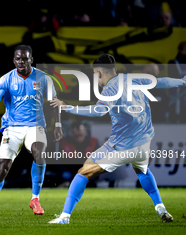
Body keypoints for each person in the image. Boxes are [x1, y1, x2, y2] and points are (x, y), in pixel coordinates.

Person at [48, 53, 186, 224]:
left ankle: (64, 217)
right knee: (142, 170)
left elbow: (98, 111)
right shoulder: (135, 79)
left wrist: (66, 107)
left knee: (83, 172)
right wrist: (183, 81)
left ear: (98, 73)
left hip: (122, 146)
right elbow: (163, 82)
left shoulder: (111, 89)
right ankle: (160, 208)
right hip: (144, 143)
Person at [0, 45, 63, 216]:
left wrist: (58, 125)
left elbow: (54, 103)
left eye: (24, 58)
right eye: (18, 59)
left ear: (31, 59)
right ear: (13, 60)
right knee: (2, 169)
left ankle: (35, 199)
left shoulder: (44, 79)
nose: (21, 62)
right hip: (12, 128)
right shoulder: (6, 79)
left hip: (36, 126)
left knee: (39, 152)